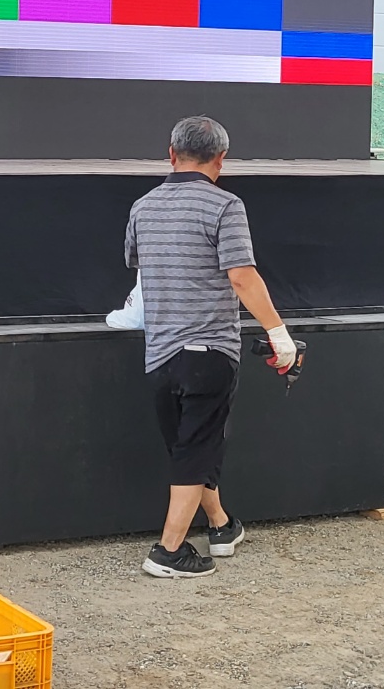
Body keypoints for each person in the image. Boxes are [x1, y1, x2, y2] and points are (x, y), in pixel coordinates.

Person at [124, 116, 296, 579]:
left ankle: (221, 526)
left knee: (190, 449)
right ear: (221, 160)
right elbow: (241, 275)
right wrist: (279, 334)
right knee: (195, 451)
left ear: (170, 154)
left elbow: (136, 264)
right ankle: (168, 551)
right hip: (209, 351)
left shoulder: (142, 206)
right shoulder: (225, 205)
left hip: (159, 353)